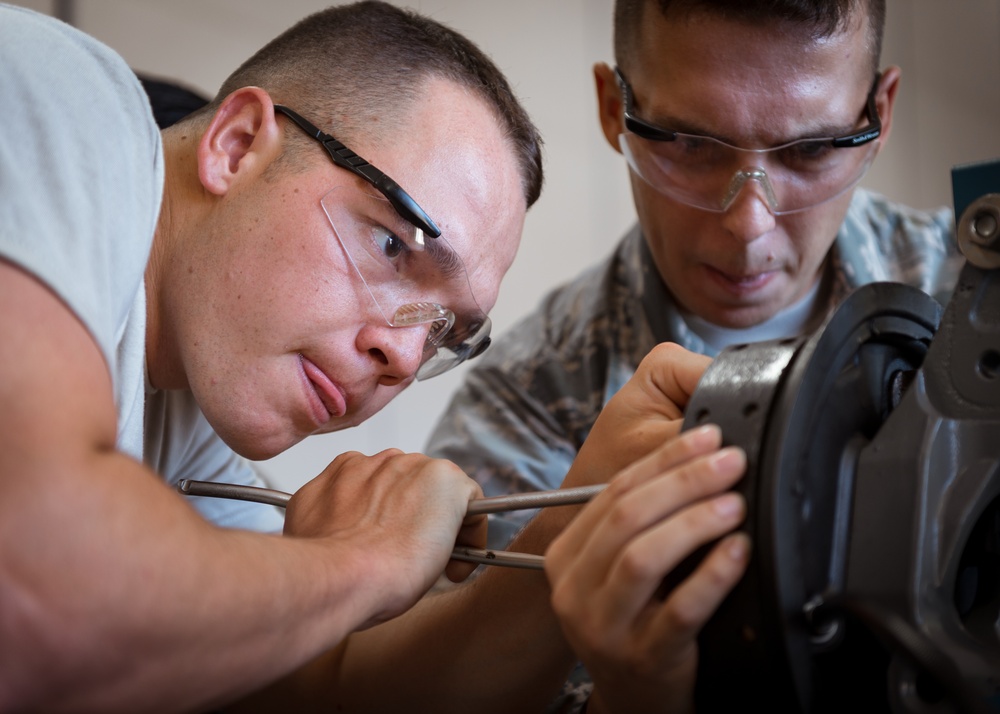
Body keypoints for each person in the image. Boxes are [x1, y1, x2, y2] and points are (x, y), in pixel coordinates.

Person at [1, 1, 749, 712]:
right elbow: (38, 600)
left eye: (440, 334)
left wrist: (574, 535)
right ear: (236, 147)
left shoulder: (186, 425)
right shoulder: (47, 92)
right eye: (394, 244)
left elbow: (319, 689)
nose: (399, 356)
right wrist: (369, 559)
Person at [426, 0, 965, 710]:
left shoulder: (970, 295)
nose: (749, 226)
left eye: (809, 151)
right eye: (690, 143)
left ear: (880, 113)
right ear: (614, 109)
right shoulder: (526, 404)